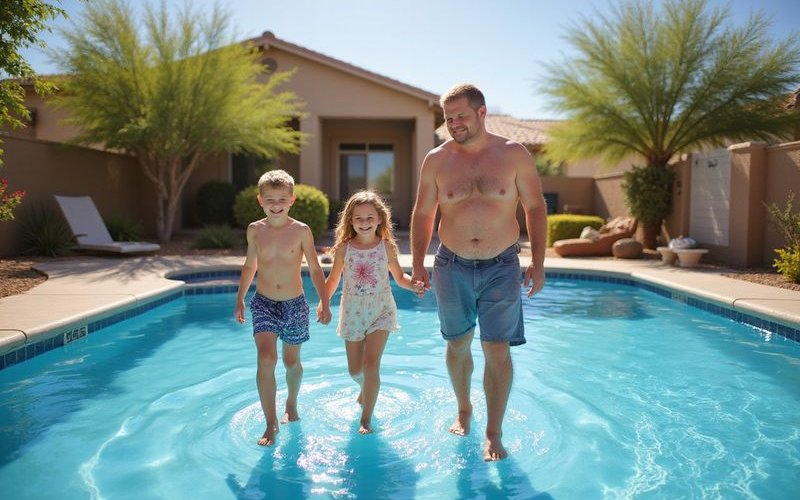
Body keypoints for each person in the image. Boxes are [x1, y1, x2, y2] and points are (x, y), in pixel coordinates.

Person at [410, 83, 547, 461]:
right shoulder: (436, 160)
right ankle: (463, 408)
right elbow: (424, 214)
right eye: (448, 117)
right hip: (450, 265)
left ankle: (494, 433)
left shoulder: (513, 155)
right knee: (457, 344)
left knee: (497, 349)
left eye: (461, 116)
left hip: (502, 265)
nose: (454, 124)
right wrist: (418, 262)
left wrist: (538, 260)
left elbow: (534, 207)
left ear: (481, 113)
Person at [234, 169, 332, 446]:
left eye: (281, 199)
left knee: (291, 362)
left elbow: (314, 268)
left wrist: (324, 301)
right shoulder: (255, 230)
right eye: (269, 199)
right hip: (264, 302)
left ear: (292, 200)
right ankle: (271, 422)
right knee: (266, 358)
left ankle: (291, 402)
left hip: (295, 305)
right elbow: (250, 265)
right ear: (260, 200)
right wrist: (240, 296)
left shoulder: (301, 231)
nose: (275, 204)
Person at [321, 190, 420, 434]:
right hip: (353, 311)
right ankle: (366, 389)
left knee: (371, 363)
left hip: (381, 310)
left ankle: (366, 418)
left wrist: (413, 285)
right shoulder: (345, 249)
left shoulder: (386, 247)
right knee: (355, 371)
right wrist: (324, 302)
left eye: (369, 218)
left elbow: (399, 277)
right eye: (358, 218)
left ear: (379, 220)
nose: (364, 223)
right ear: (350, 221)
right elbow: (333, 279)